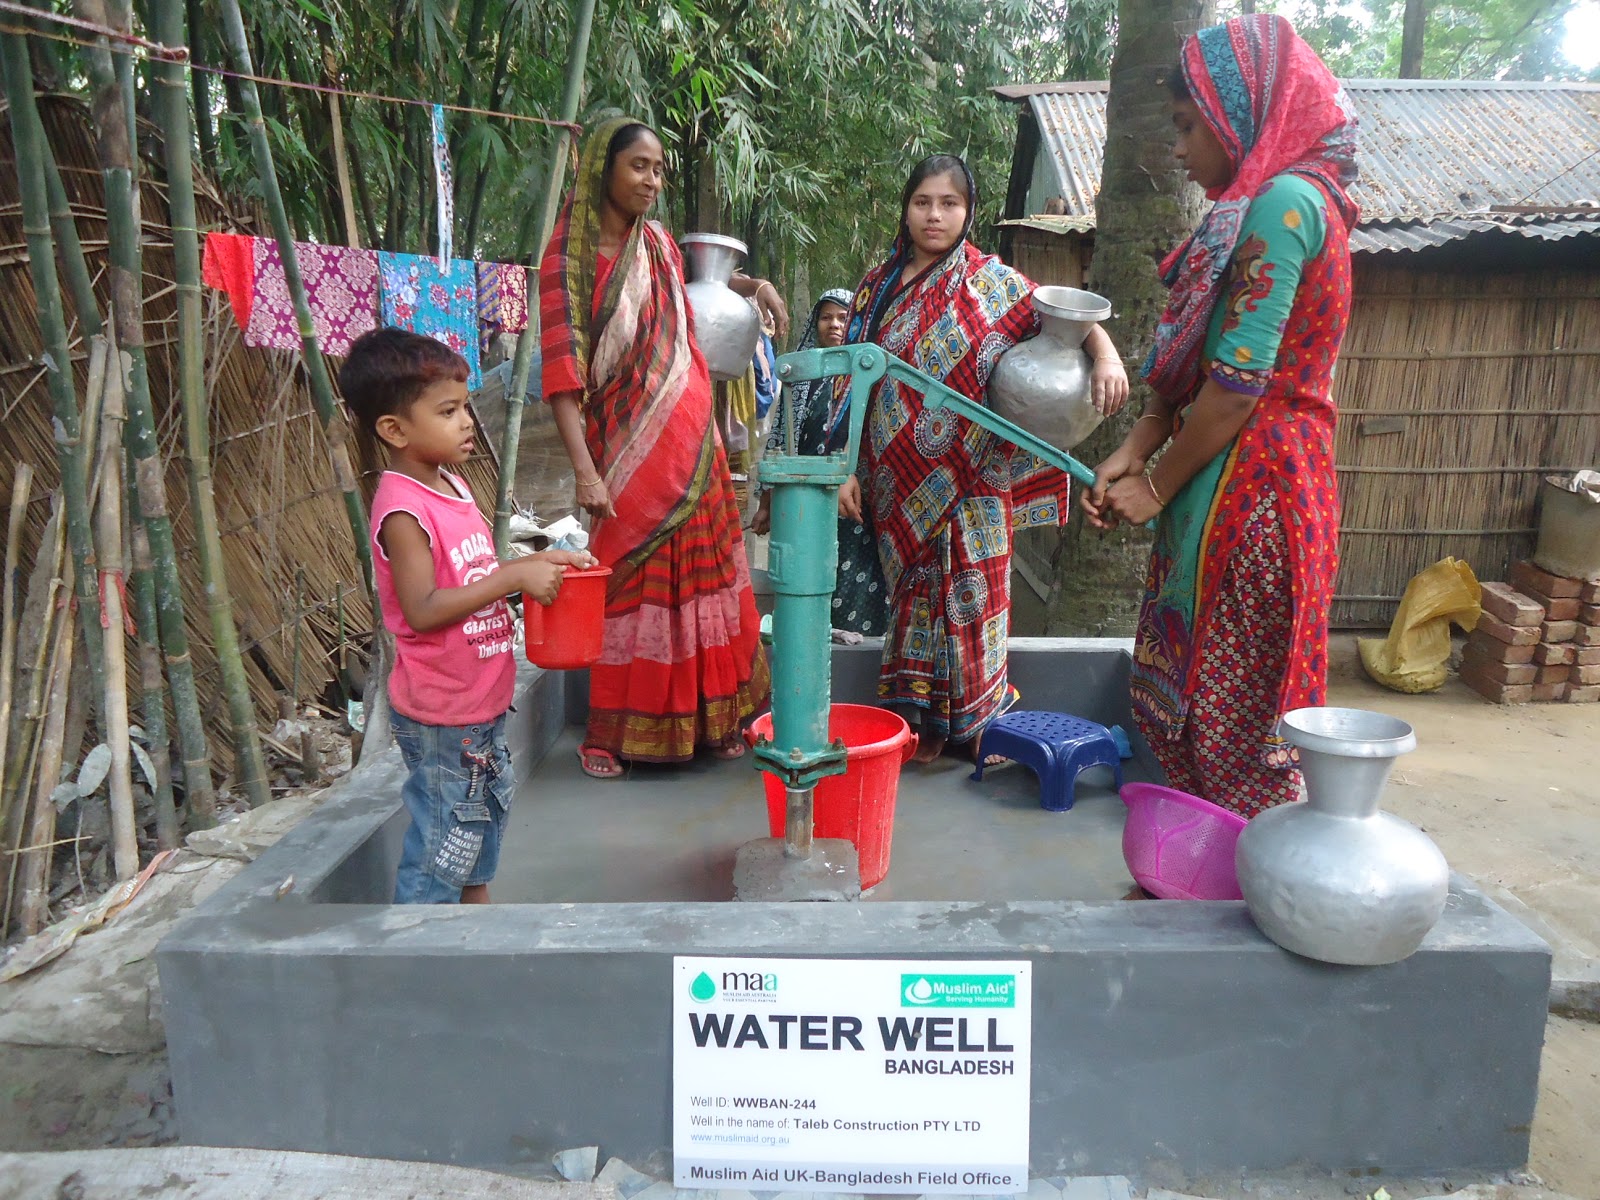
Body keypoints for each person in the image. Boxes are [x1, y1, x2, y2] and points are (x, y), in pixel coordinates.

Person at [1081, 14, 1356, 818]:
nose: (1179, 152)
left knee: (1234, 721)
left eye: (1186, 127)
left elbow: (1237, 386)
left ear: (1239, 114)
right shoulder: (1255, 207)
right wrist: (1134, 450)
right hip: (1223, 468)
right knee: (1196, 705)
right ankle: (1203, 874)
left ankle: (1239, 894)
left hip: (1256, 491)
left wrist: (1158, 488)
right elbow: (1194, 366)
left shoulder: (1286, 206)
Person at [838, 155, 1129, 763]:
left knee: (974, 592)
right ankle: (922, 724)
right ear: (906, 208)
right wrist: (844, 467)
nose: (935, 215)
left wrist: (1107, 358)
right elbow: (850, 379)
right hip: (893, 476)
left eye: (949, 203)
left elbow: (1069, 320)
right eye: (923, 202)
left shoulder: (994, 283)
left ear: (968, 212)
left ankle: (978, 726)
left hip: (974, 477)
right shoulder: (876, 285)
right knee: (912, 597)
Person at [540, 117, 779, 780]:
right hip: (622, 456)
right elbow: (562, 376)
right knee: (629, 589)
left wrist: (752, 288)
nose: (651, 181)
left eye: (658, 170)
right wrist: (586, 476)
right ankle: (610, 734)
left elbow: (690, 302)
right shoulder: (569, 259)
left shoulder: (662, 246)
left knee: (703, 582)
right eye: (638, 166)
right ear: (603, 171)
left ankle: (715, 720)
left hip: (692, 449)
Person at [341, 327, 596, 904]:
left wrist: (537, 561)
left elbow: (471, 572)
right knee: (443, 847)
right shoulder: (403, 509)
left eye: (463, 407)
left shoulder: (450, 484)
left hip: (477, 707)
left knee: (475, 823)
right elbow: (424, 609)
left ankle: (474, 924)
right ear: (394, 430)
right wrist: (511, 579)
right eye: (449, 411)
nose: (466, 422)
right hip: (443, 717)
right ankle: (419, 959)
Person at [750, 288, 889, 636]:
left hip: (856, 504)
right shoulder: (800, 376)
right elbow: (781, 440)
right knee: (806, 581)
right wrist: (767, 504)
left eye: (843, 317)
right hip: (805, 502)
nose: (835, 324)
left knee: (857, 580)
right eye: (827, 317)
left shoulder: (868, 375)